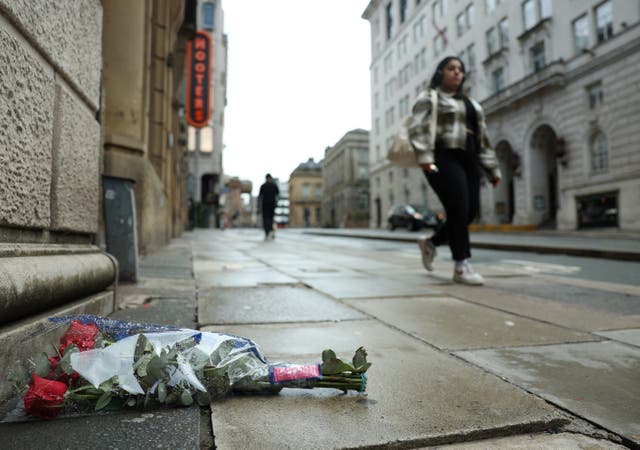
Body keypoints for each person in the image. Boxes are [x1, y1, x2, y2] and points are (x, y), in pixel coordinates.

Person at [409, 56, 501, 285]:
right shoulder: (430, 98)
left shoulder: (472, 104)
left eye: (460, 69)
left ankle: (431, 242)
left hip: (469, 156)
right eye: (451, 68)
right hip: (443, 155)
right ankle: (462, 265)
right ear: (441, 72)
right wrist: (424, 158)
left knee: (469, 212)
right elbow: (418, 128)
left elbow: (483, 139)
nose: (457, 72)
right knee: (458, 206)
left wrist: (492, 169)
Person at [258, 173, 279, 240]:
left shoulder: (263, 186)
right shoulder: (274, 185)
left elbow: (260, 197)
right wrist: (276, 203)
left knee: (266, 219)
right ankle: (270, 232)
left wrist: (259, 207)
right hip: (271, 205)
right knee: (271, 219)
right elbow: (278, 194)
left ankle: (268, 233)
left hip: (266, 205)